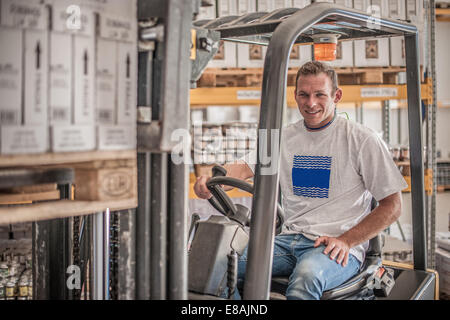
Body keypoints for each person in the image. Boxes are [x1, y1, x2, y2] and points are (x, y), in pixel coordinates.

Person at [193, 61, 407, 300]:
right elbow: (243, 168)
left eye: (320, 95)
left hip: (335, 247)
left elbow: (393, 205)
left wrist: (347, 241)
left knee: (307, 276)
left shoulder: (361, 140)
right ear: (295, 96)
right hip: (288, 240)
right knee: (217, 264)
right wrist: (213, 182)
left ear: (336, 96)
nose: (311, 103)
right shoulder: (284, 138)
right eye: (304, 95)